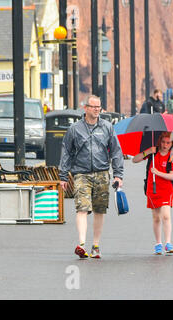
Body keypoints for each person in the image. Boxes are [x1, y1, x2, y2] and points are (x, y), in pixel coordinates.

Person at [59, 95, 124, 259]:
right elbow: (66, 151)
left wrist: (118, 175)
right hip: (81, 173)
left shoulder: (107, 127)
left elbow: (116, 151)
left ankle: (95, 245)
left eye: (99, 107)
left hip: (102, 173)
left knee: (99, 210)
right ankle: (81, 244)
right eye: (93, 107)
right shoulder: (75, 129)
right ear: (85, 108)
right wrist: (63, 176)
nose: (97, 110)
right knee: (82, 208)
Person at [132, 132, 173, 255]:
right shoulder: (153, 152)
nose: (165, 145)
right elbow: (134, 160)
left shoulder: (172, 156)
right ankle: (158, 244)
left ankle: (168, 243)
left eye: (168, 143)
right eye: (163, 142)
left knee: (166, 216)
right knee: (156, 218)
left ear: (171, 143)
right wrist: (147, 152)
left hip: (166, 189)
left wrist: (157, 173)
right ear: (159, 142)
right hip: (152, 189)